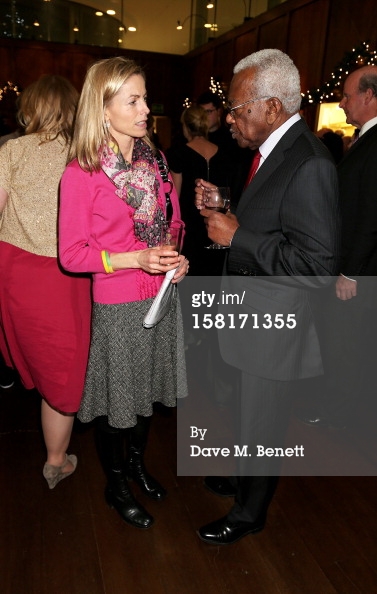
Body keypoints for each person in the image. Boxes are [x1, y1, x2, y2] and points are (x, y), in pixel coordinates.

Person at [194, 49, 340, 545]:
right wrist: (230, 213)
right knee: (245, 413)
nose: (230, 117)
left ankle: (250, 512)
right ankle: (241, 479)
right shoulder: (274, 150)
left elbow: (318, 267)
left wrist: (239, 238)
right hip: (251, 317)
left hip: (276, 326)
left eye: (238, 108)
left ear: (273, 107)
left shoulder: (310, 162)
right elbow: (276, 219)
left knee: (262, 422)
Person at [58, 56, 188, 530]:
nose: (145, 108)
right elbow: (71, 255)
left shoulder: (154, 160)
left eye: (145, 97)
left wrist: (177, 255)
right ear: (103, 107)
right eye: (133, 99)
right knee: (119, 406)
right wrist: (134, 259)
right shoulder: (82, 171)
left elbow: (173, 223)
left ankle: (135, 466)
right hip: (117, 302)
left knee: (148, 393)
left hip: (161, 295)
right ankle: (115, 486)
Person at [0, 75, 91, 488]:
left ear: (31, 107)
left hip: (17, 269)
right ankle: (56, 459)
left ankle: (55, 455)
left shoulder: (13, 150)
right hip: (69, 274)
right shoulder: (85, 154)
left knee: (38, 358)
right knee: (64, 363)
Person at [297, 65, 377, 429]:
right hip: (352, 265)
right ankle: (337, 410)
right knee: (342, 342)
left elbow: (371, 215)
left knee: (346, 346)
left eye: (347, 95)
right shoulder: (364, 138)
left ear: (369, 96)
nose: (342, 102)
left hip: (357, 271)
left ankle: (339, 418)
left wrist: (350, 271)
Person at [167, 104, 232, 275]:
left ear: (186, 126)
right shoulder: (224, 153)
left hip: (190, 228)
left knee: (192, 281)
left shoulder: (178, 153)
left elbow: (175, 197)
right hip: (218, 226)